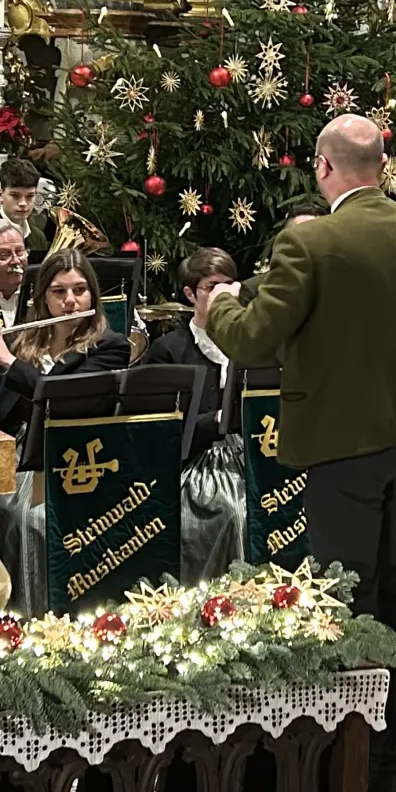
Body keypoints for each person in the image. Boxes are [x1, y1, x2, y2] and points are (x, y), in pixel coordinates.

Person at [205, 114, 396, 792]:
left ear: (325, 168)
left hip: (341, 444)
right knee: (395, 593)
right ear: (381, 166)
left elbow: (255, 342)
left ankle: (359, 770)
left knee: (349, 603)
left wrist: (219, 308)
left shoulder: (311, 241)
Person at [0, 250, 131, 616]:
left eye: (80, 290)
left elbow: (62, 399)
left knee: (31, 519)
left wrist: (9, 364)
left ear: (93, 296)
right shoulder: (22, 341)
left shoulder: (110, 346)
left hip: (72, 455)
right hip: (16, 452)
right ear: (43, 298)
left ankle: (42, 615)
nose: (71, 301)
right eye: (59, 292)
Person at [146, 249, 244, 583]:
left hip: (250, 454)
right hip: (197, 463)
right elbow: (163, 429)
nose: (223, 295)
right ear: (190, 294)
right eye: (212, 287)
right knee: (232, 512)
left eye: (229, 286)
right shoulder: (170, 350)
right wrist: (216, 420)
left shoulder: (250, 342)